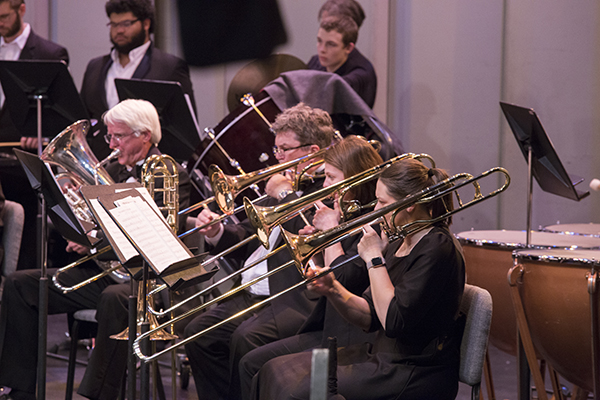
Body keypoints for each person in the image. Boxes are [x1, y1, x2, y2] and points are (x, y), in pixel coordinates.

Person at [0, 99, 191, 400]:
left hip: (146, 281)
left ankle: (98, 395)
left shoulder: (169, 173)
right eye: (109, 137)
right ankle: (18, 390)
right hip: (107, 271)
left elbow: (156, 237)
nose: (111, 144)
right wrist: (74, 220)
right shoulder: (113, 169)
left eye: (119, 137)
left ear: (144, 135)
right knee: (20, 285)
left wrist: (96, 242)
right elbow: (92, 226)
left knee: (116, 299)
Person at [250, 158, 466, 400]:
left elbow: (393, 321)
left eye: (383, 203)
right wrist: (333, 289)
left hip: (413, 370)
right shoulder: (400, 241)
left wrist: (374, 258)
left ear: (409, 204)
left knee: (300, 389)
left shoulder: (437, 247)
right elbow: (369, 315)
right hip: (377, 355)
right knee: (272, 369)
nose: (376, 211)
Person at [184, 102, 335, 400]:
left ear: (312, 149)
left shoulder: (330, 183)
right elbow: (246, 236)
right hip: (249, 293)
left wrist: (284, 194)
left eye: (284, 149)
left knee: (245, 340)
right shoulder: (287, 183)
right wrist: (216, 230)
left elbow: (311, 231)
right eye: (276, 148)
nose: (276, 157)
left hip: (290, 297)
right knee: (197, 334)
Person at [237, 135, 383, 399]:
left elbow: (341, 279)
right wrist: (314, 244)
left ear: (356, 177)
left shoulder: (373, 222)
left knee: (267, 368)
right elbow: (322, 278)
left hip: (352, 337)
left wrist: (329, 234)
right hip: (328, 324)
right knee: (251, 363)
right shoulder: (345, 210)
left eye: (331, 177)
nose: (325, 185)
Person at [0, 0, 69, 271]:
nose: (0, 23)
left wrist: (41, 133)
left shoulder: (49, 53)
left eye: (4, 16)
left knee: (25, 254)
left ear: (22, 9)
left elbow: (60, 113)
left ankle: (19, 305)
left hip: (22, 167)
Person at [80, 0, 195, 160]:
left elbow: (184, 129)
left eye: (126, 24)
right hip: (101, 164)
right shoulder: (95, 66)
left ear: (146, 24)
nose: (119, 30)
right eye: (113, 24)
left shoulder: (170, 67)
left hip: (146, 168)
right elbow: (83, 120)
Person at [307, 14, 377, 108]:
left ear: (348, 48)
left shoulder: (360, 75)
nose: (322, 49)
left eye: (331, 44)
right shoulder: (315, 62)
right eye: (319, 41)